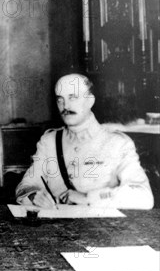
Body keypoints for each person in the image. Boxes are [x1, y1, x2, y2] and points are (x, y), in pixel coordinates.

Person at [16, 73, 153, 209]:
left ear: (90, 100)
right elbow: (26, 185)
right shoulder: (49, 141)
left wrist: (88, 198)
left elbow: (144, 196)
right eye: (60, 100)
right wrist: (34, 196)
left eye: (73, 97)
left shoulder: (117, 143)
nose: (65, 106)